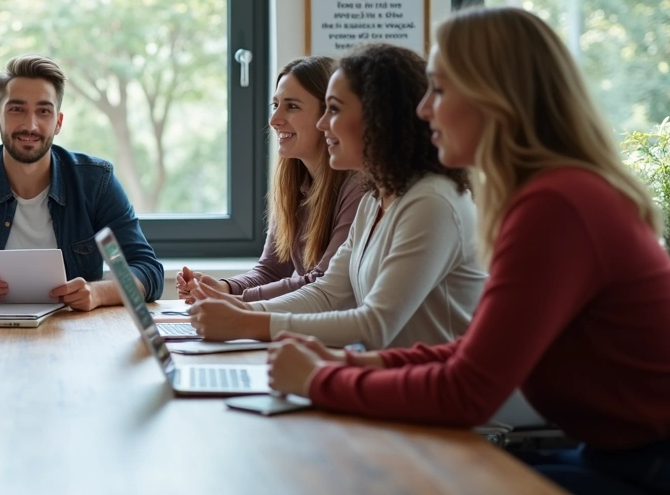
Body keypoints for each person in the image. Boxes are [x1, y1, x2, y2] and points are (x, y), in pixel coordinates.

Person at [268, 6, 670, 495]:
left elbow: (468, 390)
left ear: (494, 99)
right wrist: (352, 363)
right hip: (612, 456)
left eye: (438, 90)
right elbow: (470, 350)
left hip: (650, 468)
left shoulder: (558, 206)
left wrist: (319, 378)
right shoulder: (548, 195)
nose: (422, 111)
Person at [190, 44, 485, 349]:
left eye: (334, 109)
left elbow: (374, 324)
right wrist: (242, 310)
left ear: (378, 116)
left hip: (435, 391)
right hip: (389, 380)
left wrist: (245, 320)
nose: (322, 123)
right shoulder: (375, 200)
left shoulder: (431, 202)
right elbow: (327, 293)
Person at [0, 54, 163, 310]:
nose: (31, 125)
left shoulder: (96, 182)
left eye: (44, 111)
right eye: (16, 109)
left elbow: (147, 271)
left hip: (74, 334)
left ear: (58, 122)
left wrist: (97, 293)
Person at [177, 56, 365, 303]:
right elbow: (271, 270)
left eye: (292, 106)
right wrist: (224, 288)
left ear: (328, 115)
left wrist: (235, 301)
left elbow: (323, 282)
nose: (274, 120)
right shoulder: (294, 185)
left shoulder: (358, 186)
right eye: (275, 105)